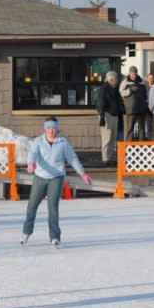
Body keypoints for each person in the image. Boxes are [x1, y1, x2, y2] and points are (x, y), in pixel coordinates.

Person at [21, 117, 92, 248]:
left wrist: (83, 173)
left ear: (57, 129)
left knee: (53, 207)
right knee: (32, 205)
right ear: (45, 128)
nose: (51, 130)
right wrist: (31, 163)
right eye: (48, 127)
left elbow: (73, 159)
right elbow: (32, 154)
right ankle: (26, 232)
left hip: (56, 178)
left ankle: (55, 237)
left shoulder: (63, 143)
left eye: (53, 127)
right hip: (40, 177)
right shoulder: (38, 141)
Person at [96, 71, 125, 166]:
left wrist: (122, 110)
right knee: (106, 138)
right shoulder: (104, 89)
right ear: (110, 80)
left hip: (115, 115)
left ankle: (109, 157)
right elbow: (100, 103)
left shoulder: (115, 88)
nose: (117, 80)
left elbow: (119, 101)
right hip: (106, 115)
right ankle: (105, 158)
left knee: (113, 138)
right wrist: (102, 116)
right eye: (116, 79)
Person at [120, 66, 149, 141]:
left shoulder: (142, 82)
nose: (134, 76)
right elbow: (121, 93)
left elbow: (147, 94)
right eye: (132, 74)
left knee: (142, 129)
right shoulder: (124, 82)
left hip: (141, 110)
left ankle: (141, 147)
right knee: (129, 129)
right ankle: (128, 147)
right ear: (129, 73)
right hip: (130, 110)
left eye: (135, 74)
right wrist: (130, 90)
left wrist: (147, 105)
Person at [144, 73, 154, 140]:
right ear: (147, 79)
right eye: (149, 78)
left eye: (152, 78)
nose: (150, 80)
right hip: (147, 110)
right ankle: (149, 143)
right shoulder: (144, 88)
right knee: (148, 127)